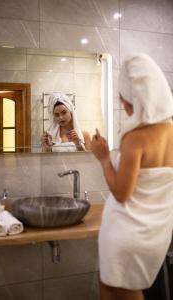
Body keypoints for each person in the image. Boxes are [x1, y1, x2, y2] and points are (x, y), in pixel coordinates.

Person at [91, 53, 173, 300]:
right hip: (155, 232)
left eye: (126, 100)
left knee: (120, 290)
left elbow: (122, 193)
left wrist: (104, 158)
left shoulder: (136, 137)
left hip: (127, 233)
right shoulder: (170, 130)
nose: (125, 106)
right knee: (111, 286)